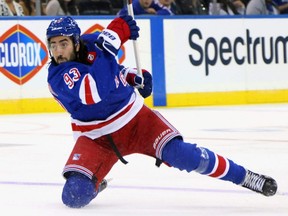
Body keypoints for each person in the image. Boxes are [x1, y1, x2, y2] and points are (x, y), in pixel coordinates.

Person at [45, 15, 278, 208]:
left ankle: (246, 177)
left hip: (136, 121)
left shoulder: (94, 43)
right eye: (53, 45)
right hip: (96, 139)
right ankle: (96, 179)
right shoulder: (57, 77)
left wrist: (133, 76)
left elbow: (115, 71)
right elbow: (96, 91)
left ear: (76, 43)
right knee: (73, 196)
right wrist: (111, 45)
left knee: (186, 155)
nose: (58, 51)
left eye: (63, 43)